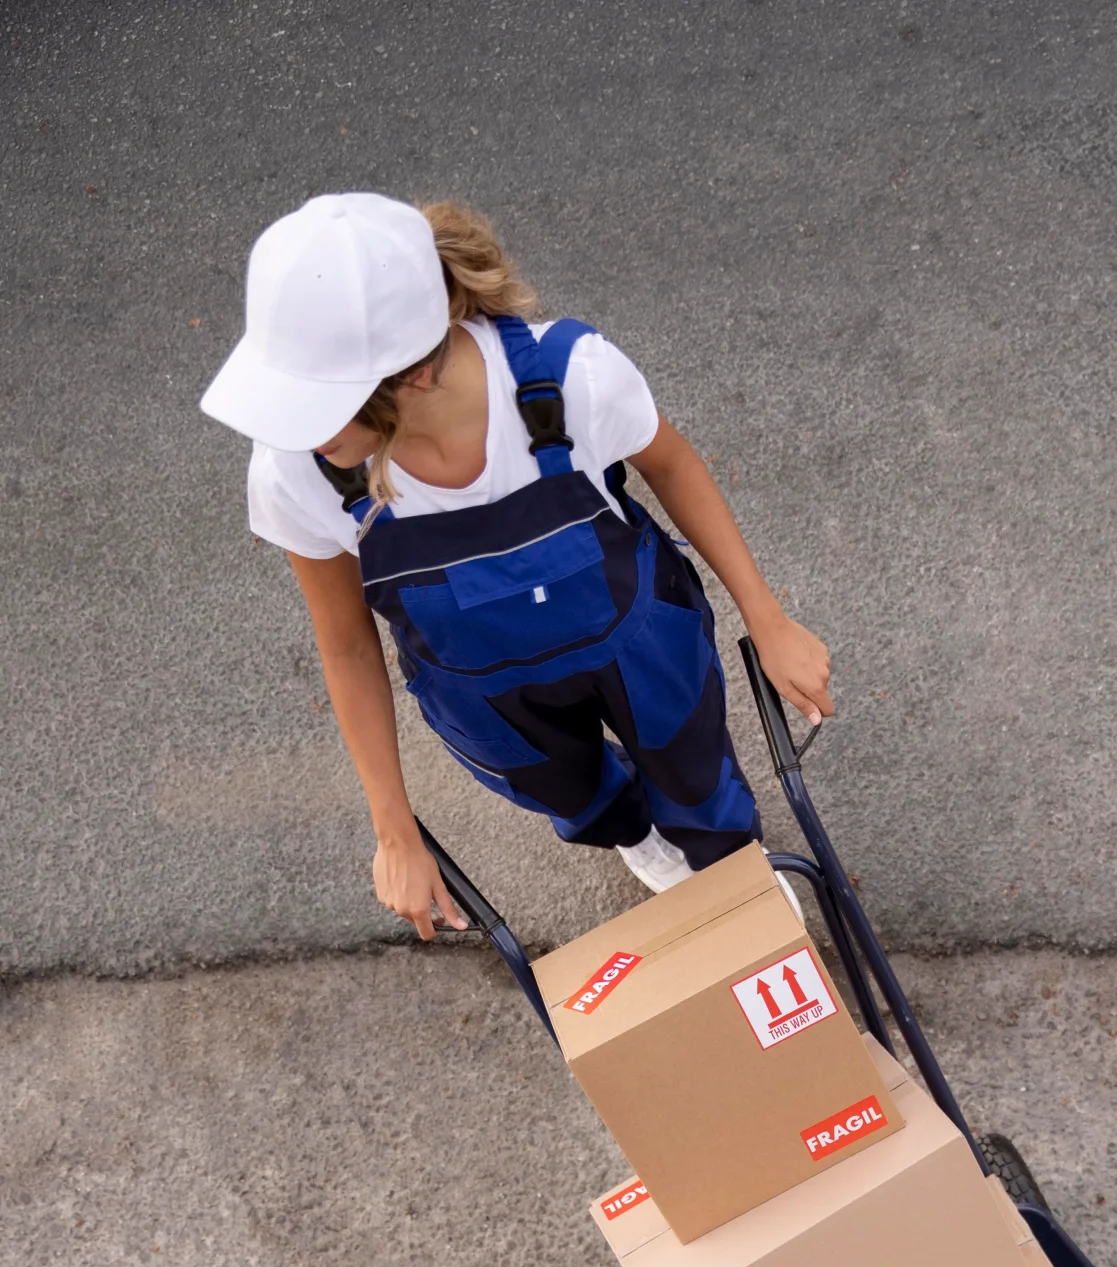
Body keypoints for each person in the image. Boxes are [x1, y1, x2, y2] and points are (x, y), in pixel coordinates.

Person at [200, 193, 831, 938]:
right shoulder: (294, 473)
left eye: (313, 407)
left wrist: (767, 617)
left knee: (696, 774)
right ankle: (640, 836)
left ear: (414, 374)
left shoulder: (570, 378)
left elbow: (671, 463)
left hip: (640, 641)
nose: (293, 433)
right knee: (577, 795)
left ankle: (725, 865)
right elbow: (344, 641)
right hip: (487, 698)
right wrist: (394, 831)